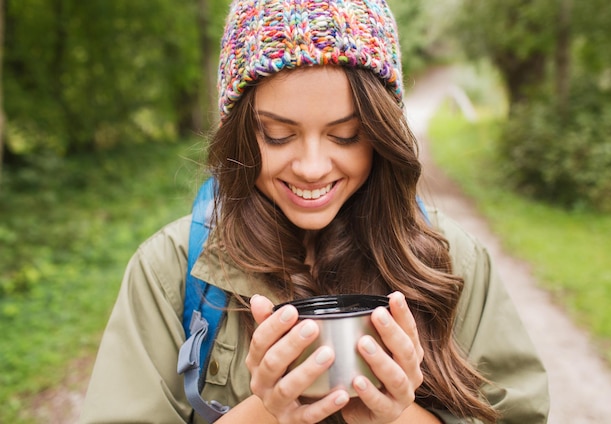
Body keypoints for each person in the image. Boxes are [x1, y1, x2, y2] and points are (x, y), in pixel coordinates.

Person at [80, 0, 550, 423]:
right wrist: (267, 412)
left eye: (345, 135)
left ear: (381, 133)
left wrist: (396, 417)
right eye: (278, 135)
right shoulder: (171, 269)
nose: (310, 168)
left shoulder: (450, 261)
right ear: (240, 132)